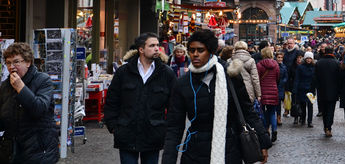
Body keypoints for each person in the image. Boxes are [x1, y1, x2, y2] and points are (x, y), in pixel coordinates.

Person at [162, 29, 270, 164]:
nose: (195, 54)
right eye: (192, 50)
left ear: (211, 51)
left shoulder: (230, 75)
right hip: (195, 151)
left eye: (200, 50)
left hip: (229, 148)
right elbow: (174, 126)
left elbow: (248, 111)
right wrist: (168, 159)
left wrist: (263, 142)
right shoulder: (182, 83)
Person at [104, 33, 176, 164]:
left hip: (153, 135)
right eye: (152, 45)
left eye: (157, 45)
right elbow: (112, 101)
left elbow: (174, 106)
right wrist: (113, 126)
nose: (156, 49)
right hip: (127, 134)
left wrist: (165, 128)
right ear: (141, 49)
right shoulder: (124, 72)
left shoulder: (166, 73)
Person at [0, 42, 58, 164]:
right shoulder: (5, 86)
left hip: (39, 152)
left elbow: (39, 109)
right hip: (13, 152)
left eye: (16, 62)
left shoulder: (43, 80)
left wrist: (21, 88)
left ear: (28, 62)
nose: (12, 67)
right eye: (8, 63)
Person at [313, 45, 340, 136]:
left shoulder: (319, 63)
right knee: (331, 110)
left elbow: (315, 77)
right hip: (333, 90)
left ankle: (326, 127)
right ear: (332, 52)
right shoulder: (336, 63)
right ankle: (329, 127)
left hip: (322, 90)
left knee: (324, 110)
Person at [256, 46, 280, 142]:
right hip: (273, 90)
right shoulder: (276, 64)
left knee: (263, 113)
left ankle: (266, 130)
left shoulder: (259, 65)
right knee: (272, 113)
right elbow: (278, 77)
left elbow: (257, 78)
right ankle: (274, 130)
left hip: (263, 91)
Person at [293, 51, 315, 127]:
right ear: (305, 58)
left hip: (311, 89)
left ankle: (310, 121)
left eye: (310, 58)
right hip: (302, 89)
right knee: (303, 105)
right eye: (307, 58)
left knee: (310, 105)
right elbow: (297, 79)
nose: (309, 60)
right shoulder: (300, 67)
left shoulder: (314, 67)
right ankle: (303, 119)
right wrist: (295, 90)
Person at [282, 38, 303, 118]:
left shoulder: (298, 52)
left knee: (294, 94)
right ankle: (286, 109)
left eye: (291, 43)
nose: (289, 45)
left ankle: (295, 110)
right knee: (286, 94)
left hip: (294, 76)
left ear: (294, 44)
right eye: (288, 43)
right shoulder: (284, 52)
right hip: (286, 75)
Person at [275, 51, 288, 126]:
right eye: (278, 57)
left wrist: (283, 82)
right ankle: (276, 116)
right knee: (276, 103)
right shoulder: (274, 66)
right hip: (274, 85)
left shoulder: (284, 66)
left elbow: (286, 76)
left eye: (281, 58)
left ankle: (279, 116)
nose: (280, 59)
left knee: (279, 102)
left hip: (281, 87)